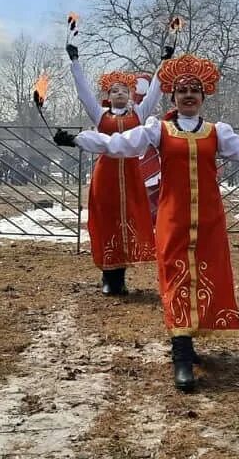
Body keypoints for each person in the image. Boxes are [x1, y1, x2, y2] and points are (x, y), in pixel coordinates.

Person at [55, 53, 239, 392]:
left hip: (208, 219)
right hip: (173, 217)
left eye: (195, 90)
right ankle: (180, 352)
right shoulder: (157, 130)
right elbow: (118, 145)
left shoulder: (216, 132)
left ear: (204, 96)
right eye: (182, 90)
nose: (188, 95)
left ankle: (191, 339)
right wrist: (77, 139)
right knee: (176, 277)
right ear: (173, 97)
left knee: (206, 276)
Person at [68, 42, 164, 295]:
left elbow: (156, 90)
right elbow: (83, 92)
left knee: (128, 220)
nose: (120, 93)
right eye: (114, 90)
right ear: (108, 95)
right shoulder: (100, 116)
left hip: (132, 175)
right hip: (107, 176)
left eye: (124, 89)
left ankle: (120, 275)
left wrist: (164, 61)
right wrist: (75, 62)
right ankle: (108, 276)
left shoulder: (140, 114)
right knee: (108, 221)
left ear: (131, 95)